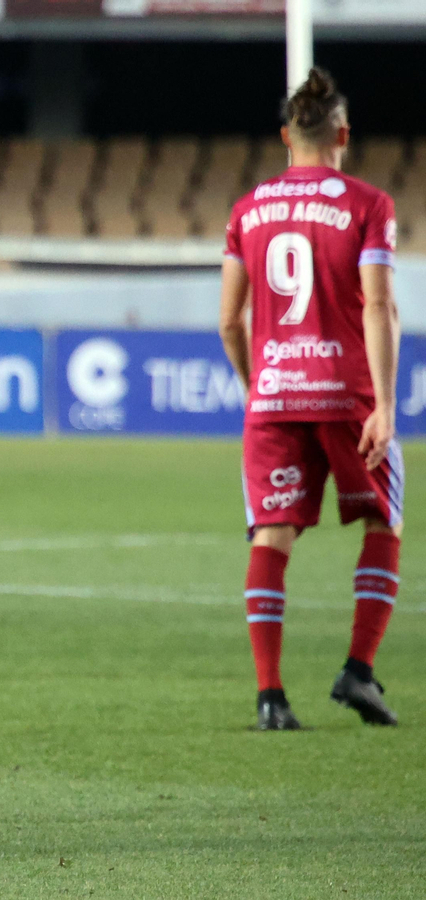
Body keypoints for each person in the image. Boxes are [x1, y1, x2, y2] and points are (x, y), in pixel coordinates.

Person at [219, 67, 402, 730]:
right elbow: (378, 304)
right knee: (385, 523)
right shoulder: (367, 204)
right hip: (346, 393)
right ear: (343, 135)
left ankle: (270, 697)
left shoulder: (248, 209)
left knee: (272, 535)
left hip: (274, 396)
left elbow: (228, 320)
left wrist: (254, 385)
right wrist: (384, 403)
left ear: (284, 136)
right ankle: (358, 670)